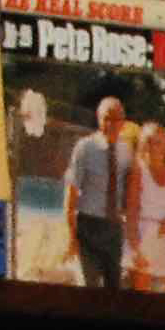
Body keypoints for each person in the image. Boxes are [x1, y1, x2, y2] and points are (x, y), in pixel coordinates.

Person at [62, 93, 134, 290]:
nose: (112, 123)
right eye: (107, 118)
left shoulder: (127, 151)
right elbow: (71, 193)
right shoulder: (84, 148)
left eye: (117, 119)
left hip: (114, 228)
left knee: (114, 287)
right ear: (98, 118)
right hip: (88, 226)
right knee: (89, 286)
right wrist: (71, 235)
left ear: (123, 121)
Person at [126, 120, 165, 293]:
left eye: (159, 142)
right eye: (150, 142)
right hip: (144, 236)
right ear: (144, 145)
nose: (155, 146)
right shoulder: (138, 171)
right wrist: (136, 248)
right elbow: (131, 211)